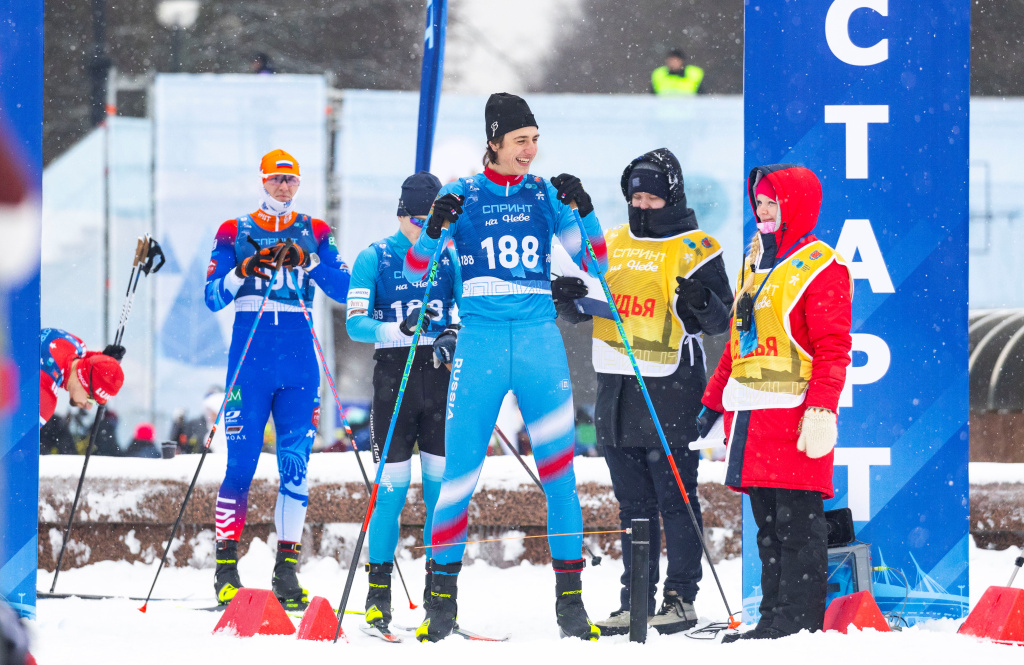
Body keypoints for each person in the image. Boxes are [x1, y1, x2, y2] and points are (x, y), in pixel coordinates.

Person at [404, 92, 607, 642]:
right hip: (483, 345)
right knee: (457, 479)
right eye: (520, 141)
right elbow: (418, 272)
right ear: (493, 141)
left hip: (541, 342)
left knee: (561, 479)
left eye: (535, 140)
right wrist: (433, 227)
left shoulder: (544, 194)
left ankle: (571, 606)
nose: (530, 150)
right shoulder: (461, 194)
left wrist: (585, 209)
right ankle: (441, 604)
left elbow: (595, 262)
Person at [553, 148, 733, 635]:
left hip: (671, 387)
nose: (644, 205)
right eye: (637, 196)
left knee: (675, 498)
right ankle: (635, 599)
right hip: (614, 387)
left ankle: (680, 597)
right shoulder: (610, 241)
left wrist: (701, 302)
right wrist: (568, 301)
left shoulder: (698, 246)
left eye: (653, 196)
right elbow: (587, 301)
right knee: (632, 506)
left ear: (672, 196)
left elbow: (722, 320)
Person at [698, 165, 852, 642]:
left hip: (795, 417)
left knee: (798, 527)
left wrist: (822, 409)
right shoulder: (754, 262)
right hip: (751, 418)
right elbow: (737, 345)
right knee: (768, 528)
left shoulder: (823, 266)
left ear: (796, 206)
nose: (762, 210)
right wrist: (712, 402)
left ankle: (797, 624)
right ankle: (772, 619)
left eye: (772, 202)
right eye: (758, 202)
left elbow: (833, 347)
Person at [204, 149, 351, 609]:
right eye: (275, 180)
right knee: (240, 467)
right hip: (249, 360)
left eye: (290, 181)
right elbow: (211, 298)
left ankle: (286, 573)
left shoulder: (316, 230)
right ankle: (226, 569)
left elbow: (345, 289)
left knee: (295, 469)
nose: (283, 188)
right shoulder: (235, 229)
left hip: (299, 361)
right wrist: (241, 272)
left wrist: (306, 261)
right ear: (262, 181)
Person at [346, 171, 459, 636]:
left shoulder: (451, 258)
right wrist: (399, 330)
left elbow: (467, 315)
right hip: (394, 379)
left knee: (439, 495)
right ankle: (378, 598)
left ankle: (440, 600)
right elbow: (355, 324)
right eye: (415, 219)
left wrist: (454, 336)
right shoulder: (375, 256)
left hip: (438, 378)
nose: (423, 230)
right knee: (390, 492)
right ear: (401, 214)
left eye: (431, 220)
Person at [39, 328, 124, 426]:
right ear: (84, 381)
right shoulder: (45, 400)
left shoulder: (76, 344)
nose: (88, 407)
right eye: (91, 399)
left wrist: (104, 358)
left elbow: (78, 364)